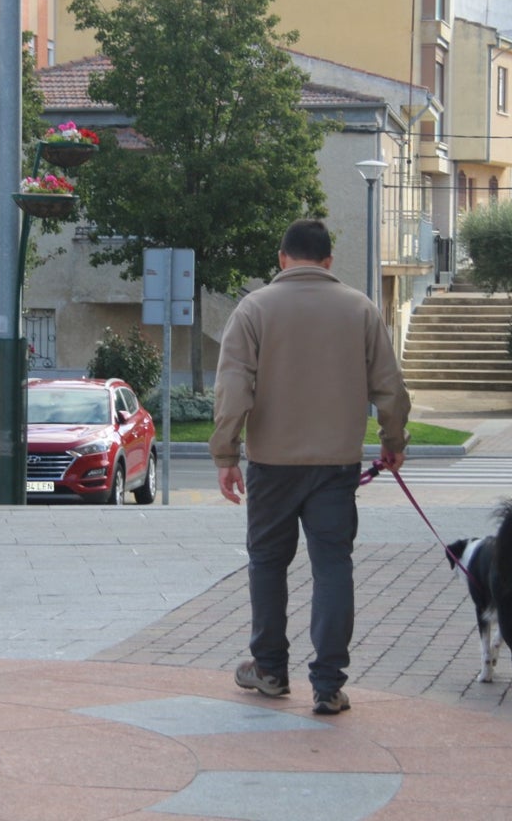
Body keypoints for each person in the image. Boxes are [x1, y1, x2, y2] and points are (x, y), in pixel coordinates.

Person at [209, 218, 411, 716]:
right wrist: (392, 441)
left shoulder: (253, 309)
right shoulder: (360, 309)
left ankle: (270, 669)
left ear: (282, 258)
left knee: (267, 564)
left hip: (271, 465)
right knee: (333, 567)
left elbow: (233, 390)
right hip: (336, 465)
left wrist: (226, 454)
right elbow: (391, 387)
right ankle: (327, 683)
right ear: (327, 262)